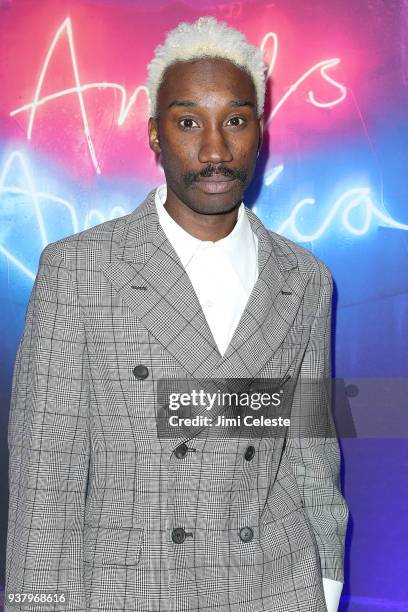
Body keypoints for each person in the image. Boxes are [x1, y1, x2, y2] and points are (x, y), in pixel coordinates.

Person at [5, 16, 349, 612]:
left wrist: (325, 580)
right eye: (188, 121)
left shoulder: (305, 280)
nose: (214, 150)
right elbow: (46, 476)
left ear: (259, 132)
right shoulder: (82, 270)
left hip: (275, 589)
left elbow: (310, 450)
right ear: (155, 135)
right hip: (130, 590)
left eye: (235, 121)